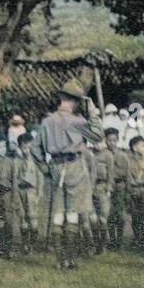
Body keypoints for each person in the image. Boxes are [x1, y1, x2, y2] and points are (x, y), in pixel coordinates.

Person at [38, 79, 102, 269]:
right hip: (74, 166)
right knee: (72, 213)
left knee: (58, 213)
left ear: (60, 98)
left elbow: (36, 148)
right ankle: (70, 259)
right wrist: (93, 112)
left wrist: (45, 167)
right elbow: (97, 135)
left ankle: (59, 261)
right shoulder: (78, 121)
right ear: (76, 101)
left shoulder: (47, 121)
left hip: (55, 166)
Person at [126, 136, 144, 249]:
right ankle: (136, 239)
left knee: (143, 216)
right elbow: (127, 177)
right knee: (135, 216)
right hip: (133, 191)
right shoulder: (129, 161)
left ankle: (143, 240)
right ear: (134, 147)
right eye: (142, 145)